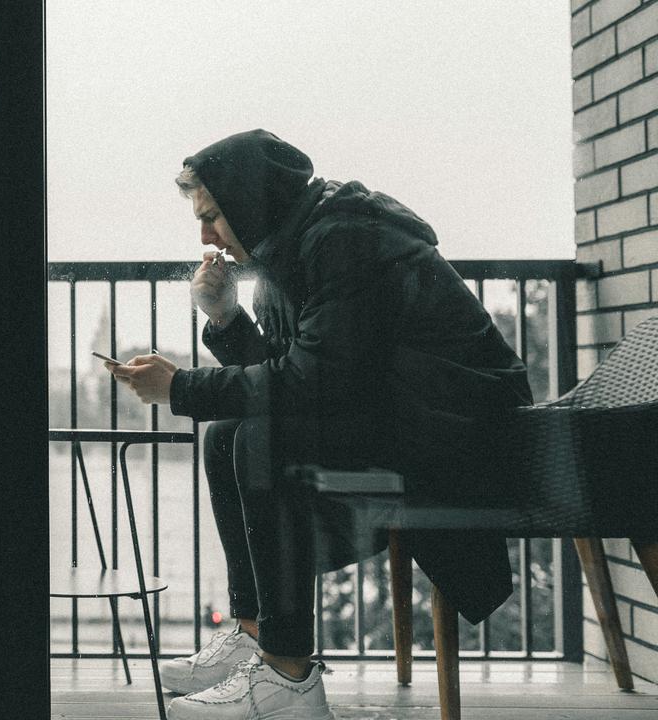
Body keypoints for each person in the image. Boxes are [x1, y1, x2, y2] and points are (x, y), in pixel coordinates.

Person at [107, 129, 531, 720]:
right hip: (415, 421)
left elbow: (311, 385)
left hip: (465, 438)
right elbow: (299, 384)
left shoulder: (344, 240)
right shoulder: (299, 247)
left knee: (256, 434)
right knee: (228, 433)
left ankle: (289, 677)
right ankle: (259, 639)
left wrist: (180, 387)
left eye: (213, 216)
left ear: (251, 205)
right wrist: (227, 316)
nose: (204, 236)